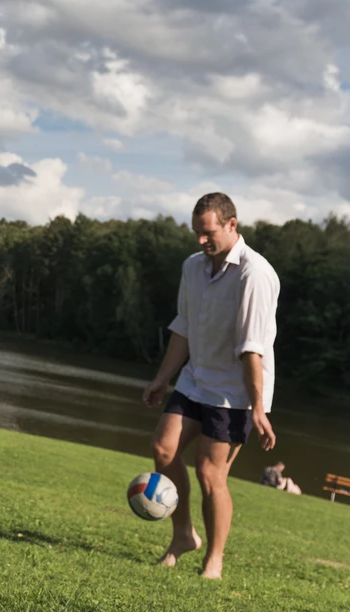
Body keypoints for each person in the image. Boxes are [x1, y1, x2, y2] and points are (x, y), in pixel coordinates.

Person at [142, 192, 280, 580]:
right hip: (196, 379)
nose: (201, 241)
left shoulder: (255, 274)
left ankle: (214, 559)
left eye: (208, 233)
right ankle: (183, 534)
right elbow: (183, 328)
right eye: (196, 233)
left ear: (231, 225)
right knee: (162, 447)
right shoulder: (193, 267)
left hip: (236, 393)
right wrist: (162, 379)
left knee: (209, 472)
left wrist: (257, 408)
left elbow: (253, 348)